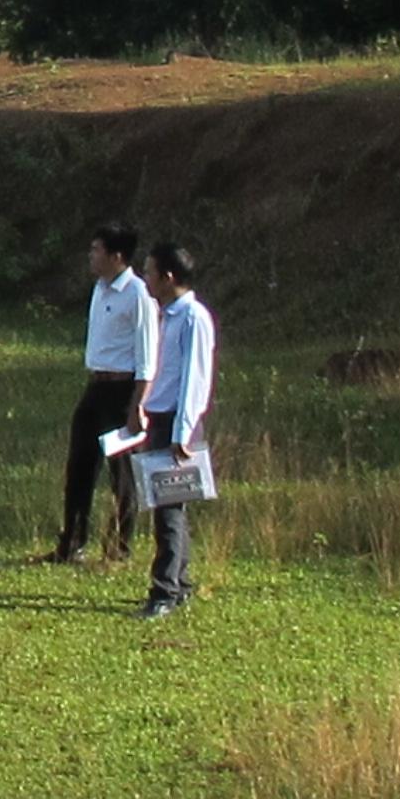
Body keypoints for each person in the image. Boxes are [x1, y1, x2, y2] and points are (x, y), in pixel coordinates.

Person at [52, 223, 153, 564]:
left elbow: (146, 355)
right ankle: (72, 543)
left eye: (97, 250)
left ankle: (118, 549)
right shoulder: (100, 288)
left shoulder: (137, 294)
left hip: (122, 390)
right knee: (79, 464)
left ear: (117, 256)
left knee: (121, 472)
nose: (91, 257)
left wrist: (137, 403)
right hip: (96, 386)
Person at [136, 240, 218, 620]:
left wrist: (181, 434)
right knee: (167, 507)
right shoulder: (165, 315)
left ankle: (164, 591)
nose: (146, 280)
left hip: (175, 422)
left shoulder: (193, 318)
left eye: (150, 273)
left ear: (169, 278)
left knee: (169, 511)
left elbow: (194, 380)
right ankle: (180, 583)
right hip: (160, 417)